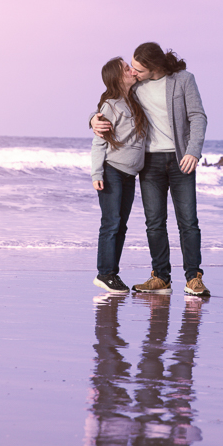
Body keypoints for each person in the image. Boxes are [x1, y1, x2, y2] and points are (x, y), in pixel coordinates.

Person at [91, 42, 209, 297]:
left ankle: (194, 278)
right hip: (150, 163)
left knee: (188, 222)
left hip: (181, 159)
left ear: (153, 68)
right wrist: (92, 119)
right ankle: (160, 278)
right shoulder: (136, 86)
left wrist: (193, 151)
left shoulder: (184, 80)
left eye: (138, 69)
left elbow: (198, 116)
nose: (133, 72)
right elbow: (109, 101)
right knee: (154, 223)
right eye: (130, 68)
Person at [91, 57, 147, 292]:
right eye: (127, 68)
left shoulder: (135, 100)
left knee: (121, 225)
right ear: (118, 77)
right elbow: (98, 142)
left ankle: (113, 273)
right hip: (112, 171)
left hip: (129, 174)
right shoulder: (110, 105)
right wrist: (96, 173)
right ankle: (105, 273)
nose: (132, 70)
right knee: (111, 223)